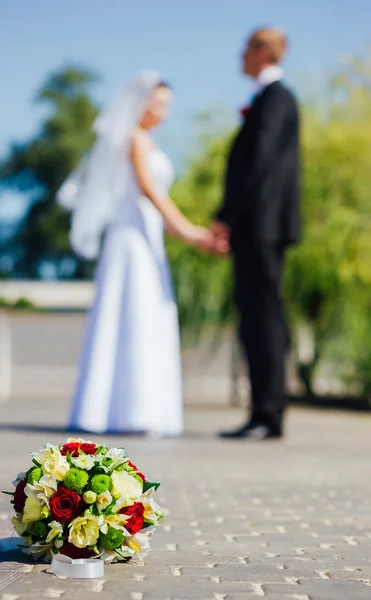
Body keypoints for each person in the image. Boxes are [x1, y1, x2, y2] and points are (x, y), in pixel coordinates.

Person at [57, 70, 225, 436]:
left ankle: (138, 409)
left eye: (168, 105)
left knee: (146, 316)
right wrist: (192, 233)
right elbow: (151, 193)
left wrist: (184, 232)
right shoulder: (135, 140)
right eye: (160, 103)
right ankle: (125, 411)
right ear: (140, 102)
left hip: (147, 235)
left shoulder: (145, 141)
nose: (164, 112)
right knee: (132, 312)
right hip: (131, 239)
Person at [213, 27, 300, 441]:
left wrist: (226, 217)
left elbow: (257, 165)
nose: (239, 56)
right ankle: (261, 412)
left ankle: (268, 414)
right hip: (257, 230)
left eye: (245, 49)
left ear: (263, 53)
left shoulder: (276, 98)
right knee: (255, 320)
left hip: (261, 230)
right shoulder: (268, 100)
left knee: (264, 320)